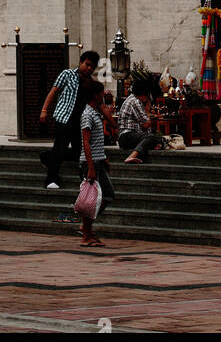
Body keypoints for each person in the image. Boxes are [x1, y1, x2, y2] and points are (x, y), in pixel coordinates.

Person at [39, 51, 100, 189]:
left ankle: (47, 156)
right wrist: (44, 110)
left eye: (92, 66)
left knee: (79, 152)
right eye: (87, 65)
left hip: (80, 122)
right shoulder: (67, 74)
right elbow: (53, 91)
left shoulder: (91, 83)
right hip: (64, 117)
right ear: (81, 62)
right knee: (60, 148)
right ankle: (51, 179)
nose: (89, 68)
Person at [78, 81, 115, 248]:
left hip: (98, 160)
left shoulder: (95, 112)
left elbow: (112, 126)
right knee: (91, 200)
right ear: (95, 95)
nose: (103, 97)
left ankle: (86, 228)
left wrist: (104, 157)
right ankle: (86, 233)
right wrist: (91, 168)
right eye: (101, 94)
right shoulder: (87, 114)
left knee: (107, 195)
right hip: (90, 163)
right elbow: (86, 142)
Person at [116, 79, 162, 164]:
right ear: (144, 95)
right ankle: (132, 156)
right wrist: (147, 109)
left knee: (158, 137)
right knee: (151, 137)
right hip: (126, 136)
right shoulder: (135, 101)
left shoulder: (133, 99)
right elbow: (146, 124)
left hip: (131, 136)